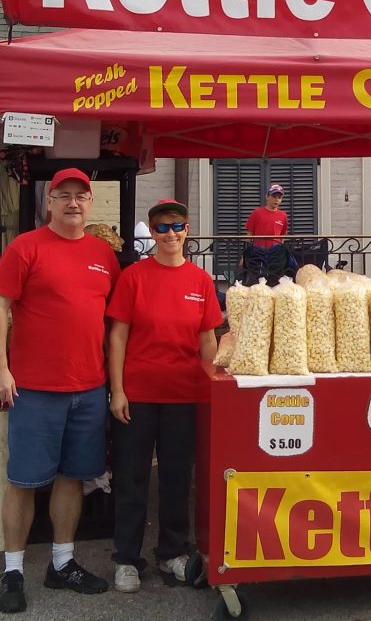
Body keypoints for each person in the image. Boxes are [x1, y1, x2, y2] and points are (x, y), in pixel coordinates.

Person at [0, 168, 121, 614]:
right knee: (23, 480)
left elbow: (115, 322)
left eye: (80, 196)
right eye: (63, 196)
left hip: (89, 387)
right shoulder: (25, 247)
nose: (72, 203)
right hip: (35, 390)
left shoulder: (104, 254)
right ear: (48, 203)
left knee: (73, 477)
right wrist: (0, 368)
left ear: (90, 203)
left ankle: (62, 563)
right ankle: (14, 570)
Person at [106, 198, 222, 593]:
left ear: (187, 230)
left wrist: (214, 389)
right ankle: (126, 559)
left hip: (184, 395)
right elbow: (117, 335)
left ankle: (173, 552)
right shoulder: (134, 277)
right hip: (137, 394)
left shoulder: (200, 281)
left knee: (176, 477)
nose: (170, 234)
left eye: (177, 226)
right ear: (151, 233)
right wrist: (117, 390)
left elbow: (208, 338)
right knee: (131, 478)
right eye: (161, 227)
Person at [242, 184, 293, 286]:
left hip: (275, 254)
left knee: (275, 281)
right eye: (274, 196)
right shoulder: (257, 213)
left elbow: (282, 236)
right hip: (258, 253)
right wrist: (243, 256)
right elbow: (249, 235)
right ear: (267, 197)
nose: (277, 200)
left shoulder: (283, 215)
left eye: (279, 197)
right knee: (256, 280)